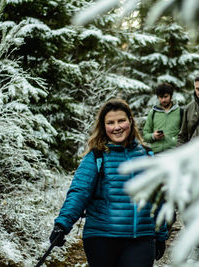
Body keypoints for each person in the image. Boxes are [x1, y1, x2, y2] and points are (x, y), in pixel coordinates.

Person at [49, 99, 168, 267]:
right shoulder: (96, 157)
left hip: (140, 238)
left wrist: (161, 234)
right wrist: (62, 224)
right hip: (101, 238)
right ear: (104, 126)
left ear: (130, 121)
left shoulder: (147, 156)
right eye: (110, 123)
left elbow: (157, 199)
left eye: (121, 120)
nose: (117, 127)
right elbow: (79, 192)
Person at [143, 83, 183, 154]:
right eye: (161, 97)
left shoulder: (180, 112)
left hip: (175, 154)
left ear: (171, 96)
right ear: (158, 97)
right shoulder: (153, 113)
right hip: (157, 154)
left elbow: (185, 134)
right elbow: (145, 134)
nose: (163, 100)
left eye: (166, 96)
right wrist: (153, 136)